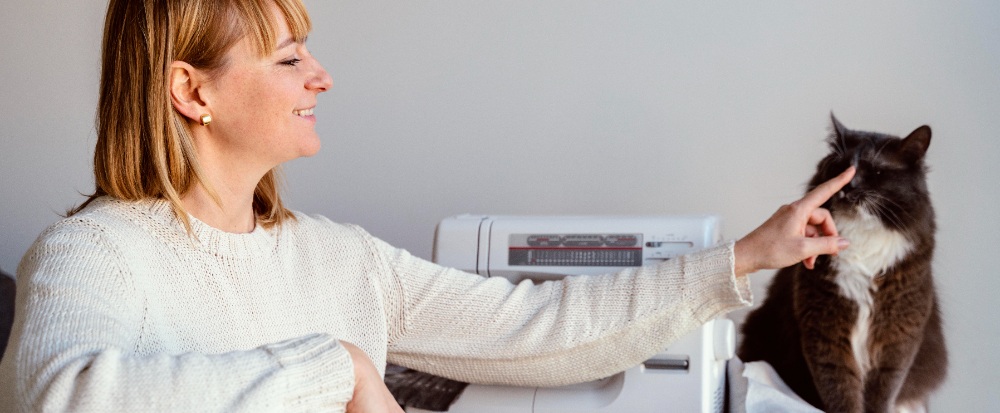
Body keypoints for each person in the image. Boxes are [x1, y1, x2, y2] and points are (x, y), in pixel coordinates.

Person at [0, 0, 855, 412]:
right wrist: (333, 366)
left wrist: (742, 255)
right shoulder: (97, 253)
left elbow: (539, 327)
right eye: (289, 58)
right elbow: (58, 398)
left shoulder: (342, 259)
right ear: (192, 91)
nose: (321, 77)